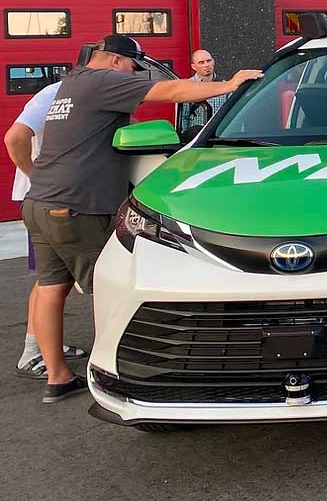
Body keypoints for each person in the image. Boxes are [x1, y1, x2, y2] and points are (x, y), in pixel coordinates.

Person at [22, 34, 261, 403]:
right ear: (117, 61)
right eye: (133, 68)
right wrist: (229, 84)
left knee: (52, 288)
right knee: (113, 287)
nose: (133, 75)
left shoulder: (72, 83)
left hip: (41, 201)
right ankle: (122, 374)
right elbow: (168, 91)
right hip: (78, 205)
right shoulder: (104, 80)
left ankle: (57, 377)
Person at [5, 80, 87, 379]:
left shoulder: (78, 93)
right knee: (50, 279)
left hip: (56, 196)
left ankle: (45, 343)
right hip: (44, 198)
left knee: (56, 279)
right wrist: (36, 178)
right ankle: (31, 352)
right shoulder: (54, 94)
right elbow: (14, 137)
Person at [178, 49, 230, 128]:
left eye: (208, 61)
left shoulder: (225, 86)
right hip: (196, 134)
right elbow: (183, 117)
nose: (206, 65)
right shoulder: (188, 86)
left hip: (218, 133)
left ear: (213, 62)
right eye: (201, 63)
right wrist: (185, 136)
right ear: (193, 67)